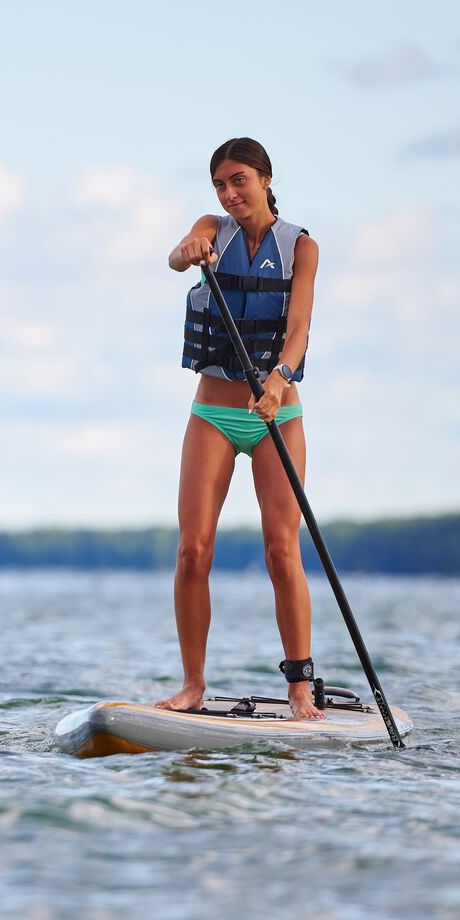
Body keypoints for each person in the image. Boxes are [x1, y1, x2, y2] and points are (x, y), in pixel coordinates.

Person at [157, 137, 325, 719]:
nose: (230, 194)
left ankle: (301, 689)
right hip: (214, 413)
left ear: (265, 178)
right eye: (221, 184)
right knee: (192, 551)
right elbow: (177, 258)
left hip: (278, 413)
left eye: (239, 181)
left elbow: (299, 326)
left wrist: (279, 378)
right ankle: (193, 685)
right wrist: (189, 248)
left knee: (282, 551)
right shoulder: (213, 229)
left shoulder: (301, 247)